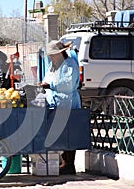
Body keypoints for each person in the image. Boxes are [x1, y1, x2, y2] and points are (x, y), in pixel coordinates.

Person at [40, 40, 81, 175]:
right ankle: (64, 163)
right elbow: (48, 79)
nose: (51, 57)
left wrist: (50, 85)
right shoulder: (52, 66)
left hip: (68, 105)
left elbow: (68, 84)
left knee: (68, 136)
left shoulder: (70, 65)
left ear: (59, 54)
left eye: (53, 55)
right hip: (55, 105)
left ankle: (69, 165)